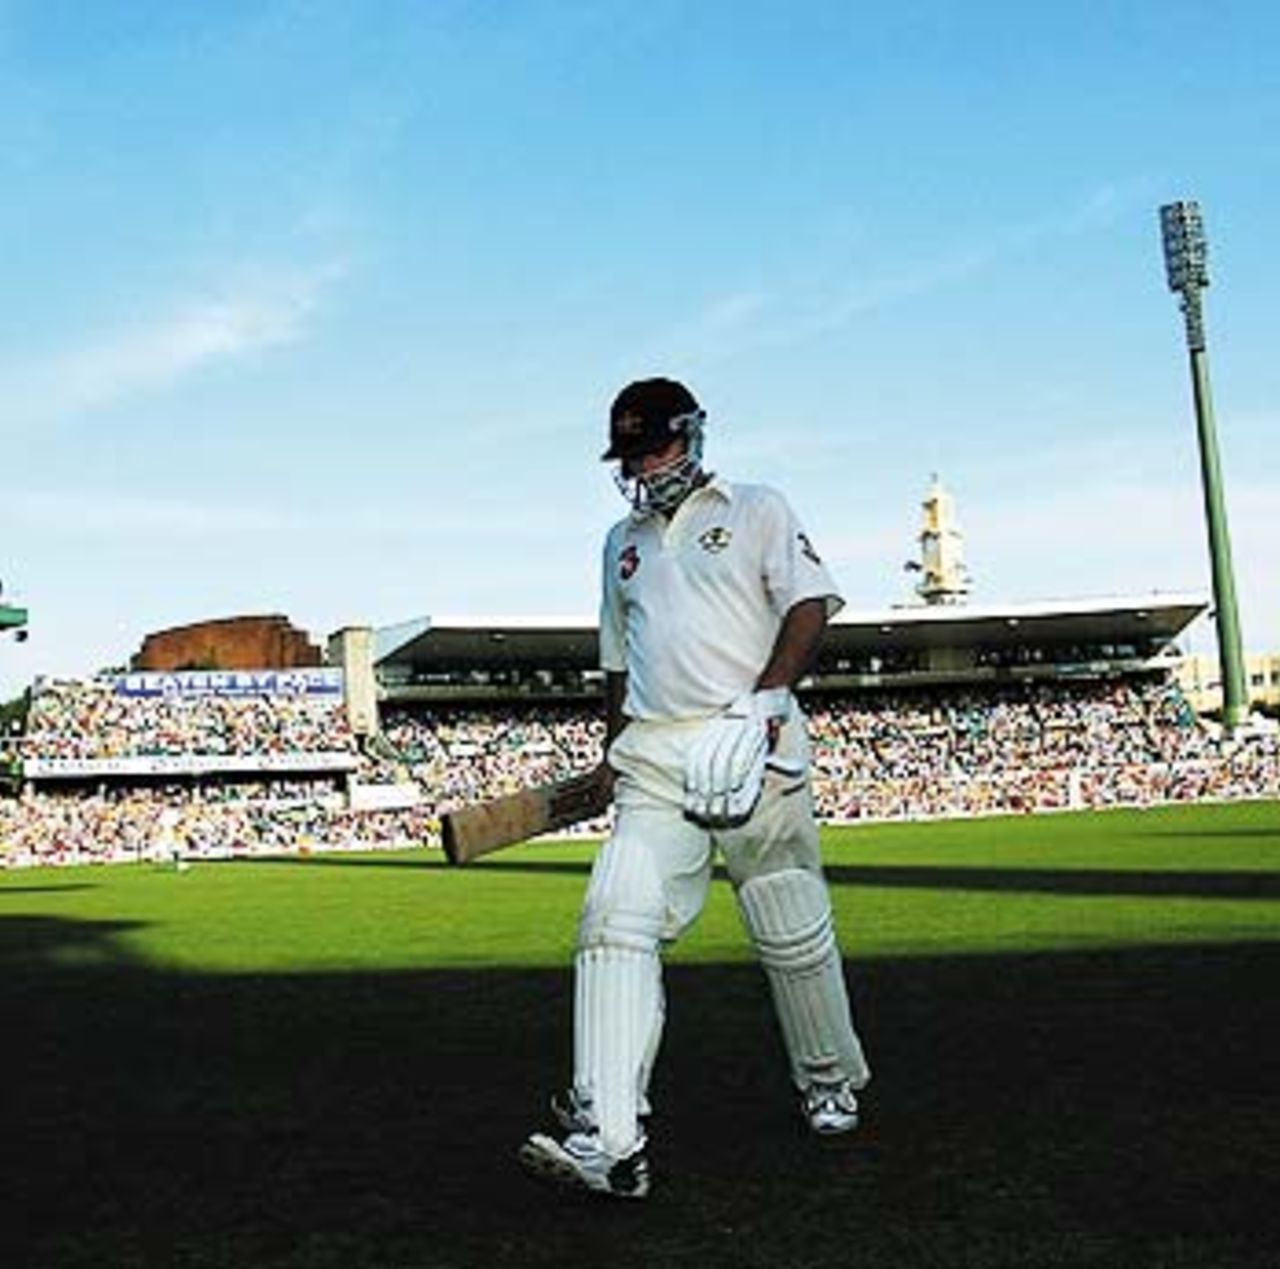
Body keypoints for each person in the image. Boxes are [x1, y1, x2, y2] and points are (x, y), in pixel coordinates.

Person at [518, 377, 870, 1200]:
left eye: (654, 447)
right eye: (630, 455)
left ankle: (827, 1080)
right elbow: (616, 656)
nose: (643, 466)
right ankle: (610, 1134)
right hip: (656, 751)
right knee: (614, 920)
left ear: (694, 434)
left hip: (754, 741)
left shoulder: (756, 508)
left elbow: (811, 605)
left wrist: (767, 698)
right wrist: (611, 753)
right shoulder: (619, 541)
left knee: (786, 914)